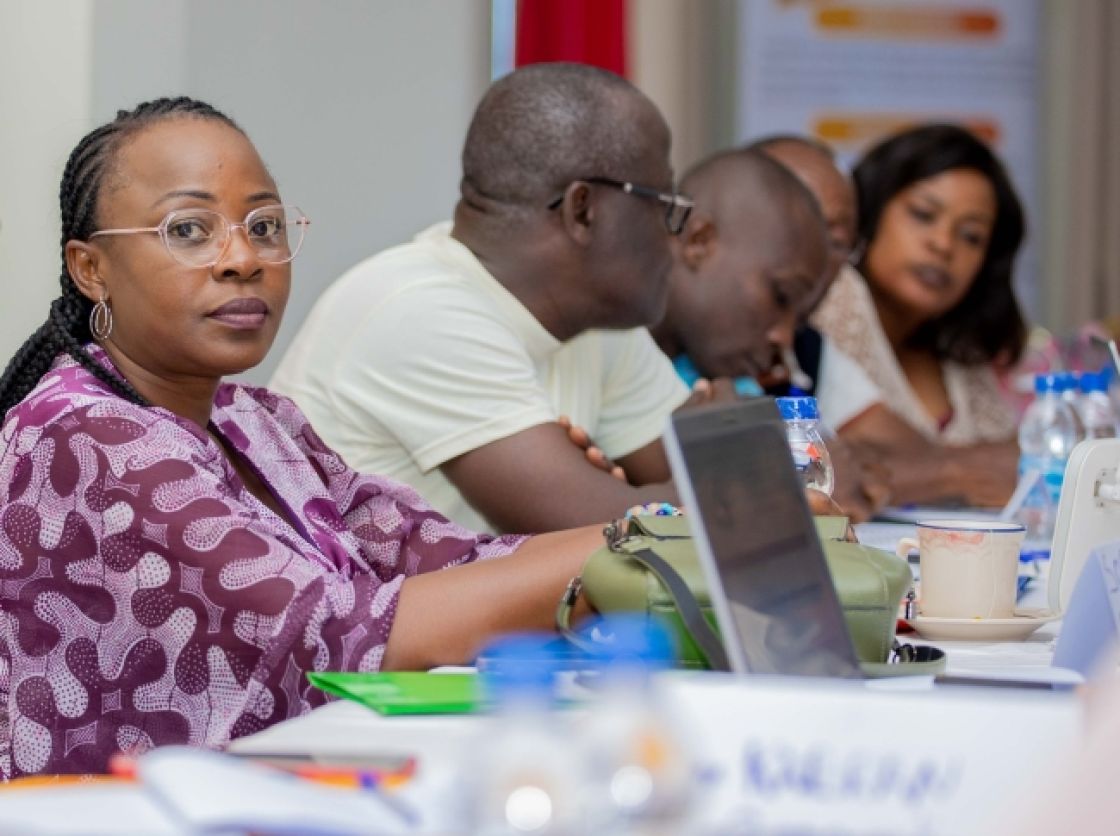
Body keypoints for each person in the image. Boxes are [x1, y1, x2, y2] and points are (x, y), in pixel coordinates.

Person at [0, 98, 605, 778]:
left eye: (264, 226)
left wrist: (648, 537)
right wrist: (634, 549)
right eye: (189, 230)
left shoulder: (254, 419)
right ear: (91, 269)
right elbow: (336, 634)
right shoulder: (83, 434)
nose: (243, 259)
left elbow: (437, 554)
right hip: (127, 815)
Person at [270, 63, 701, 535]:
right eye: (665, 207)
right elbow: (608, 530)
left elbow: (705, 490)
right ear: (583, 210)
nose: (675, 239)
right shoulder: (417, 309)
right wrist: (679, 480)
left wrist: (671, 487)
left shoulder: (597, 322)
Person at [761, 130, 1024, 507]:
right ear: (868, 216)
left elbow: (1009, 463)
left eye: (971, 236)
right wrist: (959, 473)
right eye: (923, 215)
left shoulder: (958, 346)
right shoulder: (834, 297)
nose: (943, 245)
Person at [649, 148, 889, 521]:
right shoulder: (605, 343)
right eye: (779, 296)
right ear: (699, 240)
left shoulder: (733, 379)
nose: (784, 338)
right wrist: (781, 481)